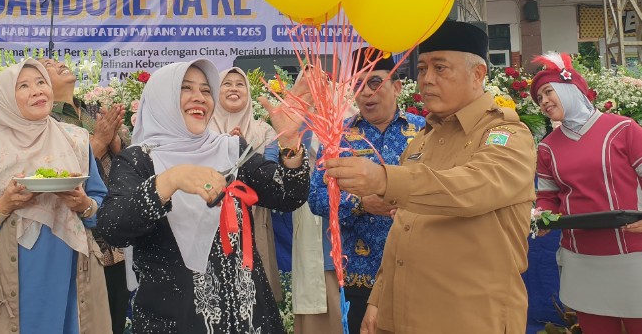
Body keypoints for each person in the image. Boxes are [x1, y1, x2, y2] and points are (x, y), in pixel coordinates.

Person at [324, 20, 536, 334]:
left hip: (470, 318)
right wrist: (378, 301)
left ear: (477, 75)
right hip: (404, 315)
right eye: (422, 69)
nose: (427, 80)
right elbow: (402, 229)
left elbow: (472, 189)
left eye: (440, 68)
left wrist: (384, 181)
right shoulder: (420, 142)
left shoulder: (506, 135)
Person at [96, 59, 310, 333]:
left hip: (248, 319)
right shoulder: (138, 159)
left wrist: (291, 143)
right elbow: (113, 227)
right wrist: (168, 181)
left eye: (206, 90)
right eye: (186, 88)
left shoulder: (231, 150)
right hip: (173, 320)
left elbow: (288, 195)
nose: (199, 97)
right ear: (163, 97)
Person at [0, 59, 111, 333]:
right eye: (23, 86)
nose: (37, 91)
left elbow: (104, 213)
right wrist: (3, 206)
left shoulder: (76, 141)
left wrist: (85, 205)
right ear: (5, 101)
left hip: (72, 281)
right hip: (9, 286)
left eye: (41, 83)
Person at [306, 50, 425, 334]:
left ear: (397, 86)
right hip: (360, 273)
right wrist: (360, 203)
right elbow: (316, 198)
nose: (367, 94)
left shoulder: (424, 132)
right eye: (359, 86)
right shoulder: (338, 138)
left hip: (419, 267)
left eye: (375, 82)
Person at [532, 52, 642, 334]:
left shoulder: (623, 128)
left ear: (570, 89)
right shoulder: (546, 148)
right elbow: (548, 197)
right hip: (580, 256)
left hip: (633, 251)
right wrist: (542, 215)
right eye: (538, 98)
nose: (543, 101)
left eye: (547, 92)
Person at [38, 57, 129, 334]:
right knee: (83, 319)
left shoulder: (91, 109)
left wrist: (117, 142)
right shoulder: (43, 120)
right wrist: (99, 142)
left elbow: (128, 160)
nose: (59, 64)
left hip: (115, 236)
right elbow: (57, 173)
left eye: (57, 60)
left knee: (114, 318)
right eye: (48, 65)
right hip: (78, 235)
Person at [211, 66, 283, 302]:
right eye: (227, 83)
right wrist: (223, 149)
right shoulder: (202, 130)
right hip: (209, 222)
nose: (233, 88)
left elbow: (273, 176)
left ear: (248, 92)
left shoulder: (265, 131)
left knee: (254, 297)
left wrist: (245, 152)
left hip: (254, 219)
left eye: (239, 84)